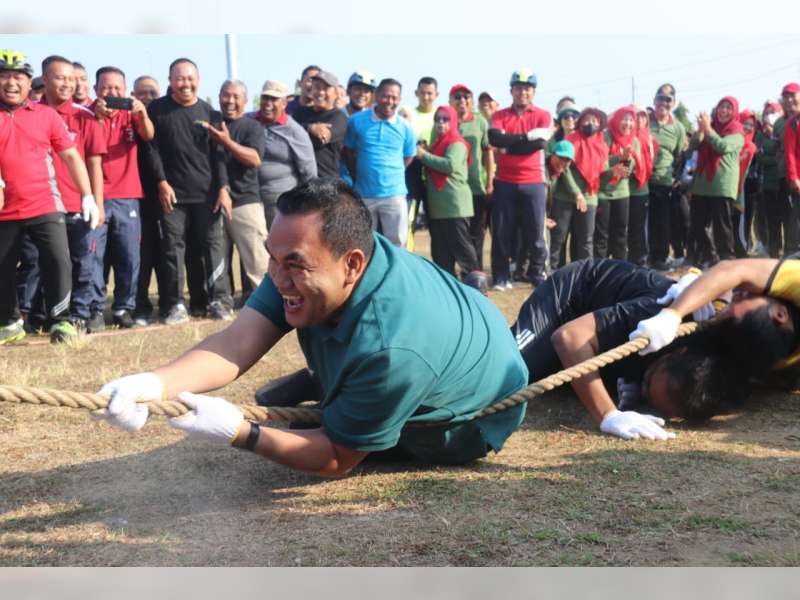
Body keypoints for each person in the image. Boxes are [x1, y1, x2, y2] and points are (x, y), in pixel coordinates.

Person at [96, 178, 529, 474]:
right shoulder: (319, 253)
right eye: (272, 258)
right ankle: (329, 381)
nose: (277, 277)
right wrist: (153, 383)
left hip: (467, 421)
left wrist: (242, 434)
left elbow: (336, 457)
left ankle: (334, 385)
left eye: (294, 265)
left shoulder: (392, 349)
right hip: (457, 337)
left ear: (352, 264)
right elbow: (238, 340)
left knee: (323, 429)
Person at [511, 258, 740, 439]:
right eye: (648, 382)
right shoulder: (655, 315)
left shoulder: (721, 362)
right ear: (675, 352)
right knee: (511, 376)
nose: (644, 393)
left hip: (604, 338)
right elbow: (569, 338)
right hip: (571, 300)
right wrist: (608, 414)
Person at [0, 50, 94, 344]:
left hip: (45, 203)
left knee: (58, 260)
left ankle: (61, 321)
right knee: (3, 266)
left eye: (18, 77)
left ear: (30, 83)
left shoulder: (46, 115)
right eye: (4, 76)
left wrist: (88, 195)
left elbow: (71, 156)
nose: (11, 83)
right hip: (4, 209)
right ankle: (9, 322)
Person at [145, 57, 233, 324]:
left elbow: (219, 156)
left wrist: (223, 188)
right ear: (170, 81)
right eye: (180, 78)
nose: (185, 83)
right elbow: (151, 149)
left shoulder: (211, 113)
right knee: (172, 249)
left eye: (190, 78)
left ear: (199, 80)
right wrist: (161, 182)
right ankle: (175, 305)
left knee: (214, 247)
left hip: (207, 195)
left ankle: (220, 301)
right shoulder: (156, 110)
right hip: (172, 195)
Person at [631, 257, 800, 377]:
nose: (737, 295)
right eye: (740, 298)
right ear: (780, 314)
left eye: (739, 298)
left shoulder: (769, 364)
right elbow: (733, 270)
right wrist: (672, 314)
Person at [36, 55, 106, 332]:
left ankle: (80, 313)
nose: (67, 84)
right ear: (45, 79)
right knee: (43, 263)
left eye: (71, 79)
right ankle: (41, 315)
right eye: (60, 78)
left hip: (78, 203)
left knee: (83, 262)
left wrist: (97, 202)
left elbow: (94, 164)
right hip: (42, 205)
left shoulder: (85, 116)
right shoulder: (31, 113)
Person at [91, 66, 155, 329]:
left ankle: (122, 308)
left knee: (129, 256)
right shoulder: (88, 114)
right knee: (94, 256)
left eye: (118, 88)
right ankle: (95, 308)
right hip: (96, 196)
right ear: (96, 89)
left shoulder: (131, 115)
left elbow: (148, 135)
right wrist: (97, 116)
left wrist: (142, 113)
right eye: (107, 87)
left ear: (126, 90)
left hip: (128, 196)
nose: (112, 92)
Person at [488, 69, 553, 289]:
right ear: (511, 90)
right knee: (501, 232)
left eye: (527, 88)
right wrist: (526, 138)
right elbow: (494, 139)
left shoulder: (543, 115)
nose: (522, 92)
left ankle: (537, 273)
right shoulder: (499, 115)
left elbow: (540, 144)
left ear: (533, 91)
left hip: (534, 181)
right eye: (518, 88)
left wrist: (509, 145)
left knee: (536, 232)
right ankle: (501, 276)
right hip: (504, 181)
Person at [204, 79, 268, 301]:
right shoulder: (210, 124)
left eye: (235, 96)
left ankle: (268, 304)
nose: (230, 101)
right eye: (225, 95)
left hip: (245, 202)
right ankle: (221, 302)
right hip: (212, 202)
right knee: (217, 260)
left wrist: (226, 141)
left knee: (257, 260)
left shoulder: (252, 127)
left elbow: (255, 159)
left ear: (245, 100)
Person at [343, 78, 417, 248]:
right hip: (364, 194)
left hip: (394, 194)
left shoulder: (405, 127)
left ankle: (395, 268)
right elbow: (349, 152)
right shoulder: (356, 121)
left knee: (397, 244)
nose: (389, 101)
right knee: (363, 244)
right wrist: (359, 174)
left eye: (394, 97)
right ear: (376, 96)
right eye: (385, 96)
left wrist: (392, 173)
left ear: (399, 99)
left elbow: (408, 156)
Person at [415, 105, 479, 277]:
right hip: (438, 207)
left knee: (462, 248)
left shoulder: (456, 142)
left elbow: (450, 165)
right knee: (441, 252)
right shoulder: (437, 144)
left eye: (445, 119)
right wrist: (427, 152)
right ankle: (448, 283)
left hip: (454, 205)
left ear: (453, 122)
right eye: (437, 119)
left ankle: (475, 282)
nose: (440, 123)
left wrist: (423, 155)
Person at [251, 79, 317, 229]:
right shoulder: (248, 121)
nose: (268, 103)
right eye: (265, 98)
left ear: (284, 103)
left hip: (280, 201)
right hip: (248, 198)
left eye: (274, 99)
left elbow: (309, 173)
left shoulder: (295, 132)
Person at [548, 108, 608, 270]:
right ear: (580, 122)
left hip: (589, 198)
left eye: (594, 120)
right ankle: (554, 270)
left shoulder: (602, 145)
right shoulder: (570, 140)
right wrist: (576, 193)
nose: (590, 123)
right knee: (559, 237)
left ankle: (583, 272)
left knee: (585, 240)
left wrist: (614, 172)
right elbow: (564, 169)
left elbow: (602, 174)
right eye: (587, 120)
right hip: (564, 197)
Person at [687, 96, 744, 266]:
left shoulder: (737, 132)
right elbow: (692, 147)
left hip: (722, 186)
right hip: (701, 185)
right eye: (721, 107)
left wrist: (708, 129)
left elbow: (722, 146)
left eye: (728, 108)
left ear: (734, 112)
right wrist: (701, 131)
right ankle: (710, 258)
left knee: (722, 226)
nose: (724, 111)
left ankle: (727, 261)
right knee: (699, 225)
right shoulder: (710, 128)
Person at [132, 75, 165, 326]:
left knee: (166, 252)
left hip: (164, 197)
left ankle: (168, 302)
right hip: (134, 198)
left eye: (152, 93)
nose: (147, 98)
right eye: (141, 93)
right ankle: (140, 305)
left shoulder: (164, 117)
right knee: (140, 255)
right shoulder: (128, 120)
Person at [450, 83, 494, 270]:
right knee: (458, 233)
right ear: (451, 100)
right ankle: (459, 271)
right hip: (452, 188)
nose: (462, 100)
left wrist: (490, 181)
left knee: (477, 232)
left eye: (466, 97)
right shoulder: (445, 120)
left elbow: (488, 153)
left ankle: (476, 273)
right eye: (457, 97)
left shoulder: (480, 122)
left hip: (475, 186)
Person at [648, 84, 687, 271]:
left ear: (673, 103)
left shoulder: (678, 127)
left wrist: (675, 177)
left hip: (664, 181)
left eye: (668, 99)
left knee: (662, 222)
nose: (663, 103)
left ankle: (660, 257)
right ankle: (641, 257)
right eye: (660, 98)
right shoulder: (645, 122)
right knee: (641, 222)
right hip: (642, 181)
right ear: (654, 100)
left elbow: (680, 155)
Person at [595, 106, 640, 261]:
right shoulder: (605, 136)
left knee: (620, 234)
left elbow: (630, 168)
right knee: (601, 236)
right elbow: (600, 162)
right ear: (616, 120)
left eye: (631, 120)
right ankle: (600, 268)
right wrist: (619, 159)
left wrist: (626, 161)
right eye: (624, 119)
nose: (628, 123)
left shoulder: (634, 141)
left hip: (622, 193)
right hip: (602, 192)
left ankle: (620, 268)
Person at [293, 70, 348, 178]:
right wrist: (310, 128)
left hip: (326, 181)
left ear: (336, 93)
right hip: (300, 181)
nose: (321, 92)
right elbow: (289, 135)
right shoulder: (300, 113)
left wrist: (301, 131)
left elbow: (322, 138)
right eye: (317, 87)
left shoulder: (339, 117)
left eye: (326, 88)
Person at [401, 77, 439, 231]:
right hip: (411, 170)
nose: (426, 97)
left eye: (429, 93)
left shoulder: (441, 115)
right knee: (408, 220)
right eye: (422, 93)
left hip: (434, 170)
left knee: (436, 224)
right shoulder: (407, 113)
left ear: (436, 94)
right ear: (416, 93)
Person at [628, 105, 658, 266]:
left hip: (641, 189)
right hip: (624, 189)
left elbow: (652, 162)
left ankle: (640, 259)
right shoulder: (624, 136)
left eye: (643, 116)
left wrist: (640, 170)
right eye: (636, 116)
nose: (640, 119)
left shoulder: (650, 139)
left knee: (639, 227)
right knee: (625, 227)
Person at [756, 100, 785, 258]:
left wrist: (776, 154)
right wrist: (776, 158)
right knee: (772, 221)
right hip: (767, 185)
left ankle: (790, 251)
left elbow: (785, 153)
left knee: (788, 219)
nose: (769, 115)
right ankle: (774, 251)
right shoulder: (760, 135)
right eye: (766, 112)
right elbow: (760, 158)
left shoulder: (783, 130)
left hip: (784, 182)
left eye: (772, 112)